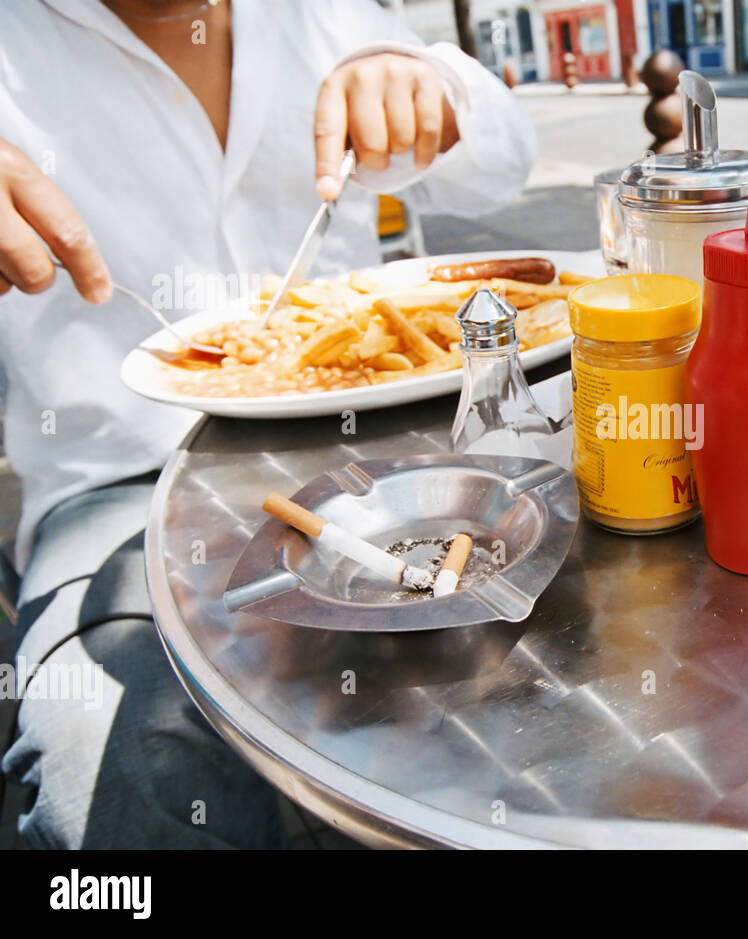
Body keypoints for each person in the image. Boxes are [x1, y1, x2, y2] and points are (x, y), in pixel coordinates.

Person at [0, 0, 536, 848]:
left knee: (516, 690)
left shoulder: (322, 14)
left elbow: (508, 158)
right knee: (117, 766)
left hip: (380, 457)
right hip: (115, 487)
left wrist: (435, 89)